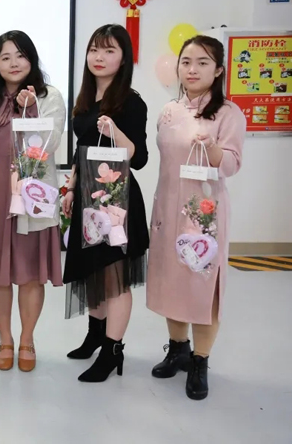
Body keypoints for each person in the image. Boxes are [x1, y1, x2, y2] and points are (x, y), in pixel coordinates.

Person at [147, 35, 246, 400]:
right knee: (172, 280)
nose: (192, 69)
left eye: (203, 62)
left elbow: (231, 164)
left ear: (218, 70)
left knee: (204, 285)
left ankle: (201, 360)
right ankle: (178, 349)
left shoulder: (228, 113)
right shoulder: (169, 110)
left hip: (204, 213)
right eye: (186, 61)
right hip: (167, 206)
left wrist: (214, 148)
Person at [61, 24, 149, 382]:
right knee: (93, 271)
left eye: (109, 50)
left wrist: (115, 131)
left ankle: (113, 351)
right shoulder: (84, 99)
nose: (99, 57)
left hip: (117, 201)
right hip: (87, 195)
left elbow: (139, 158)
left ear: (123, 59)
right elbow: (81, 151)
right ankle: (95, 335)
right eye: (94, 49)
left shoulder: (131, 101)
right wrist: (70, 188)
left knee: (115, 278)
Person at [0, 31, 65, 372]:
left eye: (20, 55)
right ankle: (5, 338)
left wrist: (31, 109)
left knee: (30, 273)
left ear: (32, 59)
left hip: (31, 194)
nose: (13, 63)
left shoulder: (48, 96)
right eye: (5, 57)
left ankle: (27, 338)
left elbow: (50, 143)